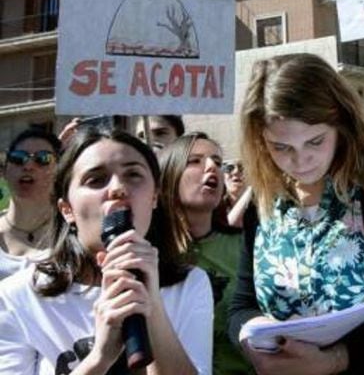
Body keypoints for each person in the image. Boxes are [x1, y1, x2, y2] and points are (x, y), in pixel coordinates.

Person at [228, 53, 364, 375]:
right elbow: (241, 306)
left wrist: (337, 359)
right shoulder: (262, 202)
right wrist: (252, 335)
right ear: (260, 143)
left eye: (315, 141)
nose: (301, 161)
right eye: (281, 147)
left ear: (341, 124)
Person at [0, 128, 212, 374]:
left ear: (154, 197)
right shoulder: (17, 297)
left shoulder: (190, 284)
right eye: (96, 179)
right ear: (67, 208)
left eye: (133, 175)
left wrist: (151, 305)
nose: (118, 188)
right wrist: (99, 358)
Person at [159, 133, 249, 375]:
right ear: (169, 175)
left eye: (218, 162)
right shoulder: (149, 254)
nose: (212, 167)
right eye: (195, 161)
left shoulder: (247, 246)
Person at [0, 128, 61, 279]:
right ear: (5, 171)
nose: (28, 166)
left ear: (59, 171)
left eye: (43, 159)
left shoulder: (74, 234)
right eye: (18, 158)